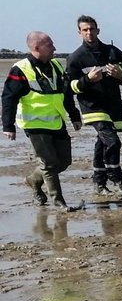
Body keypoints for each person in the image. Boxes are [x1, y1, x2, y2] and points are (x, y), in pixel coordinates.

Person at [1, 31, 82, 209]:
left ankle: (33, 180)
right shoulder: (20, 69)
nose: (55, 48)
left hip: (56, 121)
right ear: (36, 48)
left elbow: (66, 93)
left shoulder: (56, 66)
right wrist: (8, 125)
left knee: (63, 162)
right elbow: (8, 97)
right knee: (48, 163)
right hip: (34, 124)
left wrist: (74, 115)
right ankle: (59, 203)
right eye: (50, 45)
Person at [66, 15, 122, 199]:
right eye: (85, 30)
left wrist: (120, 76)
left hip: (113, 105)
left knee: (102, 142)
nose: (89, 33)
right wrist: (87, 80)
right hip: (92, 106)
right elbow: (69, 88)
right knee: (112, 142)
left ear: (98, 30)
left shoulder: (113, 52)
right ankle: (117, 179)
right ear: (79, 33)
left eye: (92, 29)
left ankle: (98, 182)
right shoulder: (75, 58)